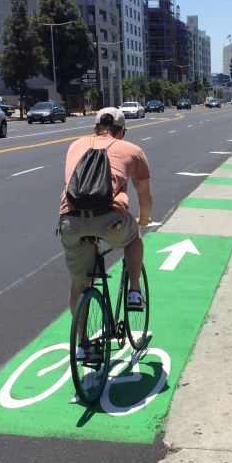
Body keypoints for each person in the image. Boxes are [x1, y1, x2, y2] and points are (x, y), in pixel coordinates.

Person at [58, 106, 152, 325]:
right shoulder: (132, 150)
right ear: (121, 132)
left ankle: (82, 345)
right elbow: (144, 195)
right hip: (111, 220)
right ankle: (135, 292)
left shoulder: (75, 145)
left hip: (70, 220)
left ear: (94, 128)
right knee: (133, 237)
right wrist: (144, 218)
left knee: (79, 283)